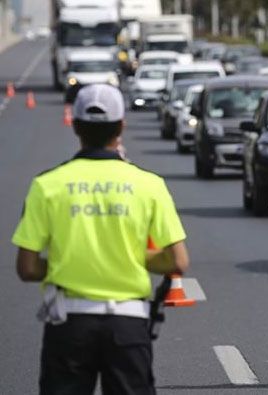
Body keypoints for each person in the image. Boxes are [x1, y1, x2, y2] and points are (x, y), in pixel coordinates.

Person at [13, 84, 190, 395]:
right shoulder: (149, 185)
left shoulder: (47, 185)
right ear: (121, 126)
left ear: (76, 127)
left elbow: (26, 268)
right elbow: (177, 261)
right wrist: (133, 258)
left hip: (68, 324)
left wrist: (67, 263)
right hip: (128, 324)